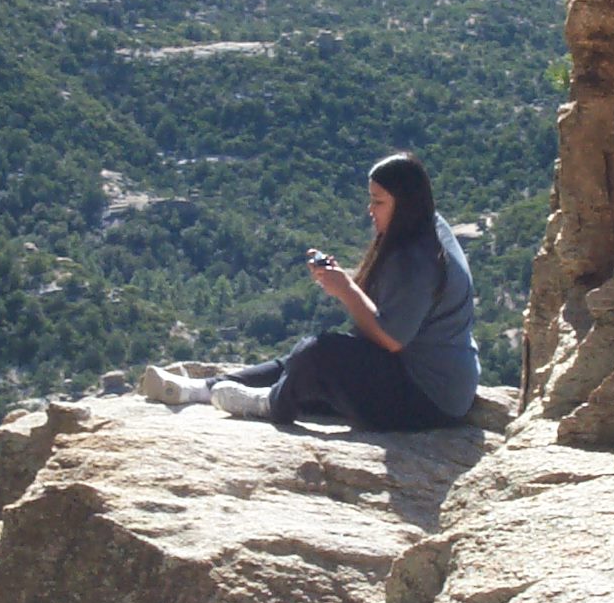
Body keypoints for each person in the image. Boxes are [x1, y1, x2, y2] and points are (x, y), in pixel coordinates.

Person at [143, 152, 480, 430]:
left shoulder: (417, 260)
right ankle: (199, 390)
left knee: (317, 354)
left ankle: (268, 404)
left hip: (429, 399)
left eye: (378, 202)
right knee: (300, 360)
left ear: (403, 204)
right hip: (415, 379)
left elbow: (391, 339)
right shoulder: (424, 226)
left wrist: (345, 288)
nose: (370, 211)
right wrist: (342, 279)